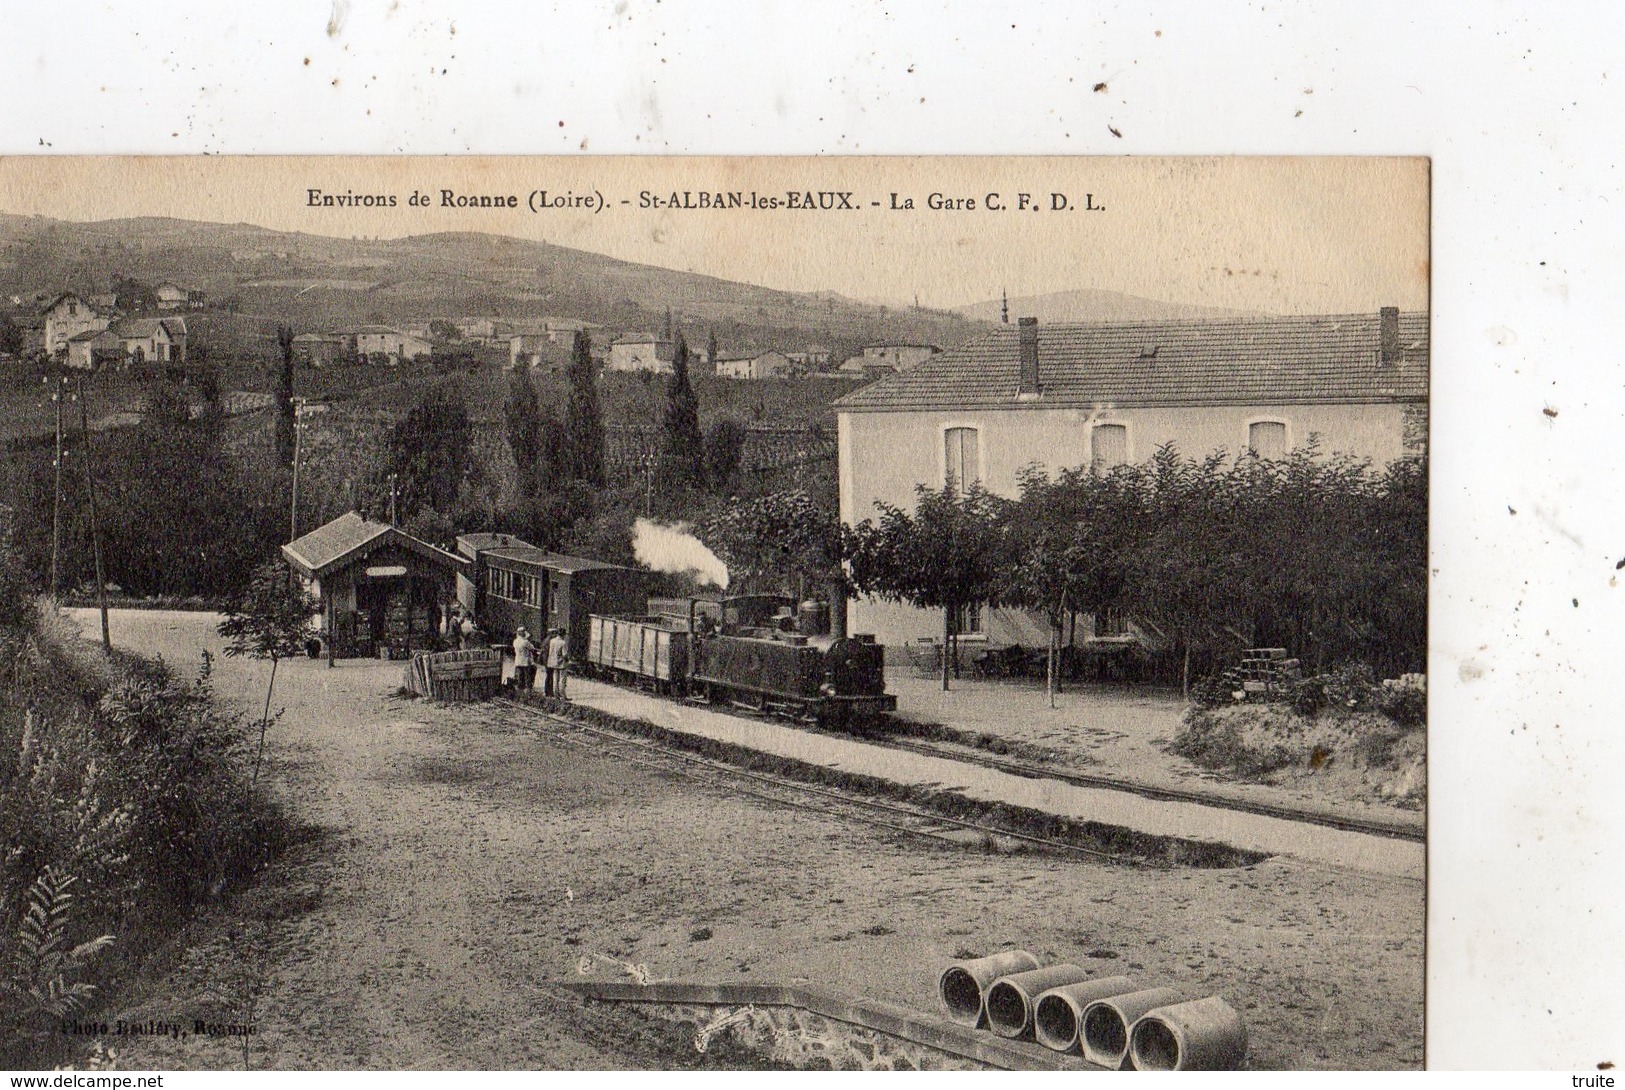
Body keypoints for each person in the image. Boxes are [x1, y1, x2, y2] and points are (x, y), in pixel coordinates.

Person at [544, 627, 569, 698]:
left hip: (553, 663)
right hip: (561, 664)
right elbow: (564, 654)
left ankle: (556, 694)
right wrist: (567, 661)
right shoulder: (563, 643)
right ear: (563, 635)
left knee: (556, 679)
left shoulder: (552, 641)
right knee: (562, 680)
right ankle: (563, 695)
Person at [512, 626, 537, 691]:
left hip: (518, 660)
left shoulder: (515, 641)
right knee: (527, 676)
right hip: (525, 661)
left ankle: (520, 688)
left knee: (520, 675)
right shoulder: (525, 642)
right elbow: (532, 648)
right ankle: (527, 689)